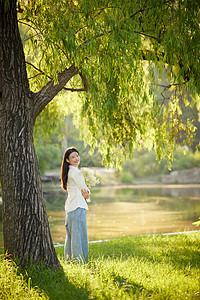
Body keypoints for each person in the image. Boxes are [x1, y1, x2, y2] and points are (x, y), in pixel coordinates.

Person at [60, 147, 90, 264]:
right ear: (68, 160)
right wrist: (87, 194)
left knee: (71, 238)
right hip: (77, 208)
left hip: (70, 209)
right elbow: (85, 192)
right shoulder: (75, 172)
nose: (76, 158)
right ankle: (79, 262)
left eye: (77, 155)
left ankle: (69, 261)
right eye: (73, 157)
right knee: (79, 237)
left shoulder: (69, 172)